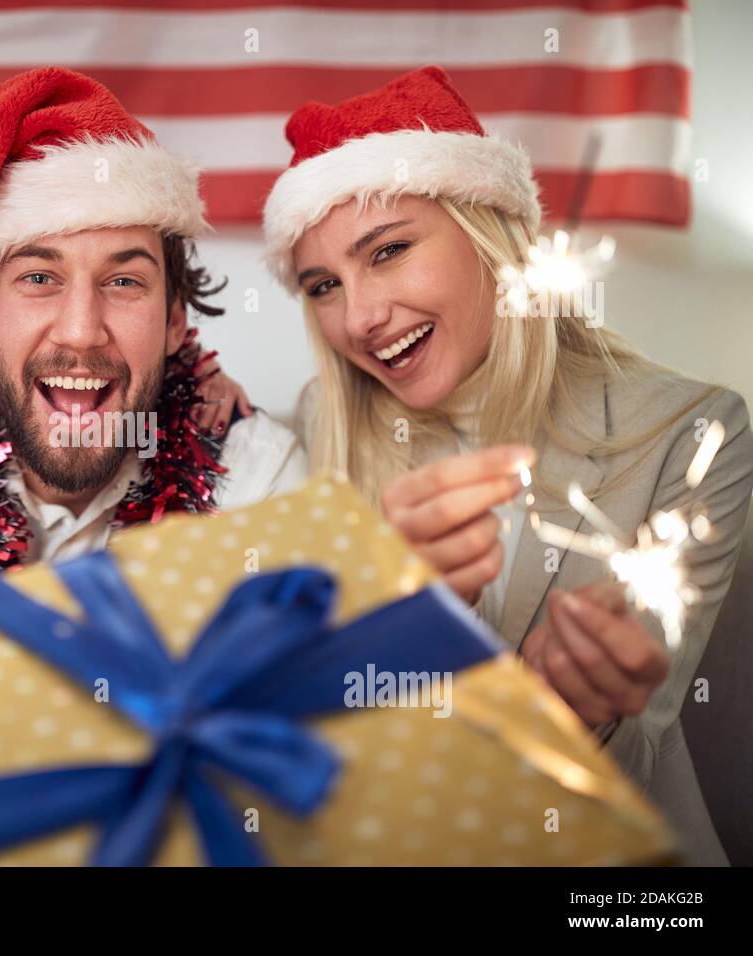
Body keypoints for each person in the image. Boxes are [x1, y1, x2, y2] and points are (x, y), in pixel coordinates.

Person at [261, 66, 753, 864]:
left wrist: (584, 707)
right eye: (324, 284)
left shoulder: (692, 431)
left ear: (492, 235)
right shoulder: (325, 420)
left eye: (388, 251)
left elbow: (627, 754)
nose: (360, 318)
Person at [0, 66, 307, 616]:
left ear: (174, 322)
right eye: (39, 279)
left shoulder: (256, 468)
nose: (80, 332)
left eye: (123, 282)